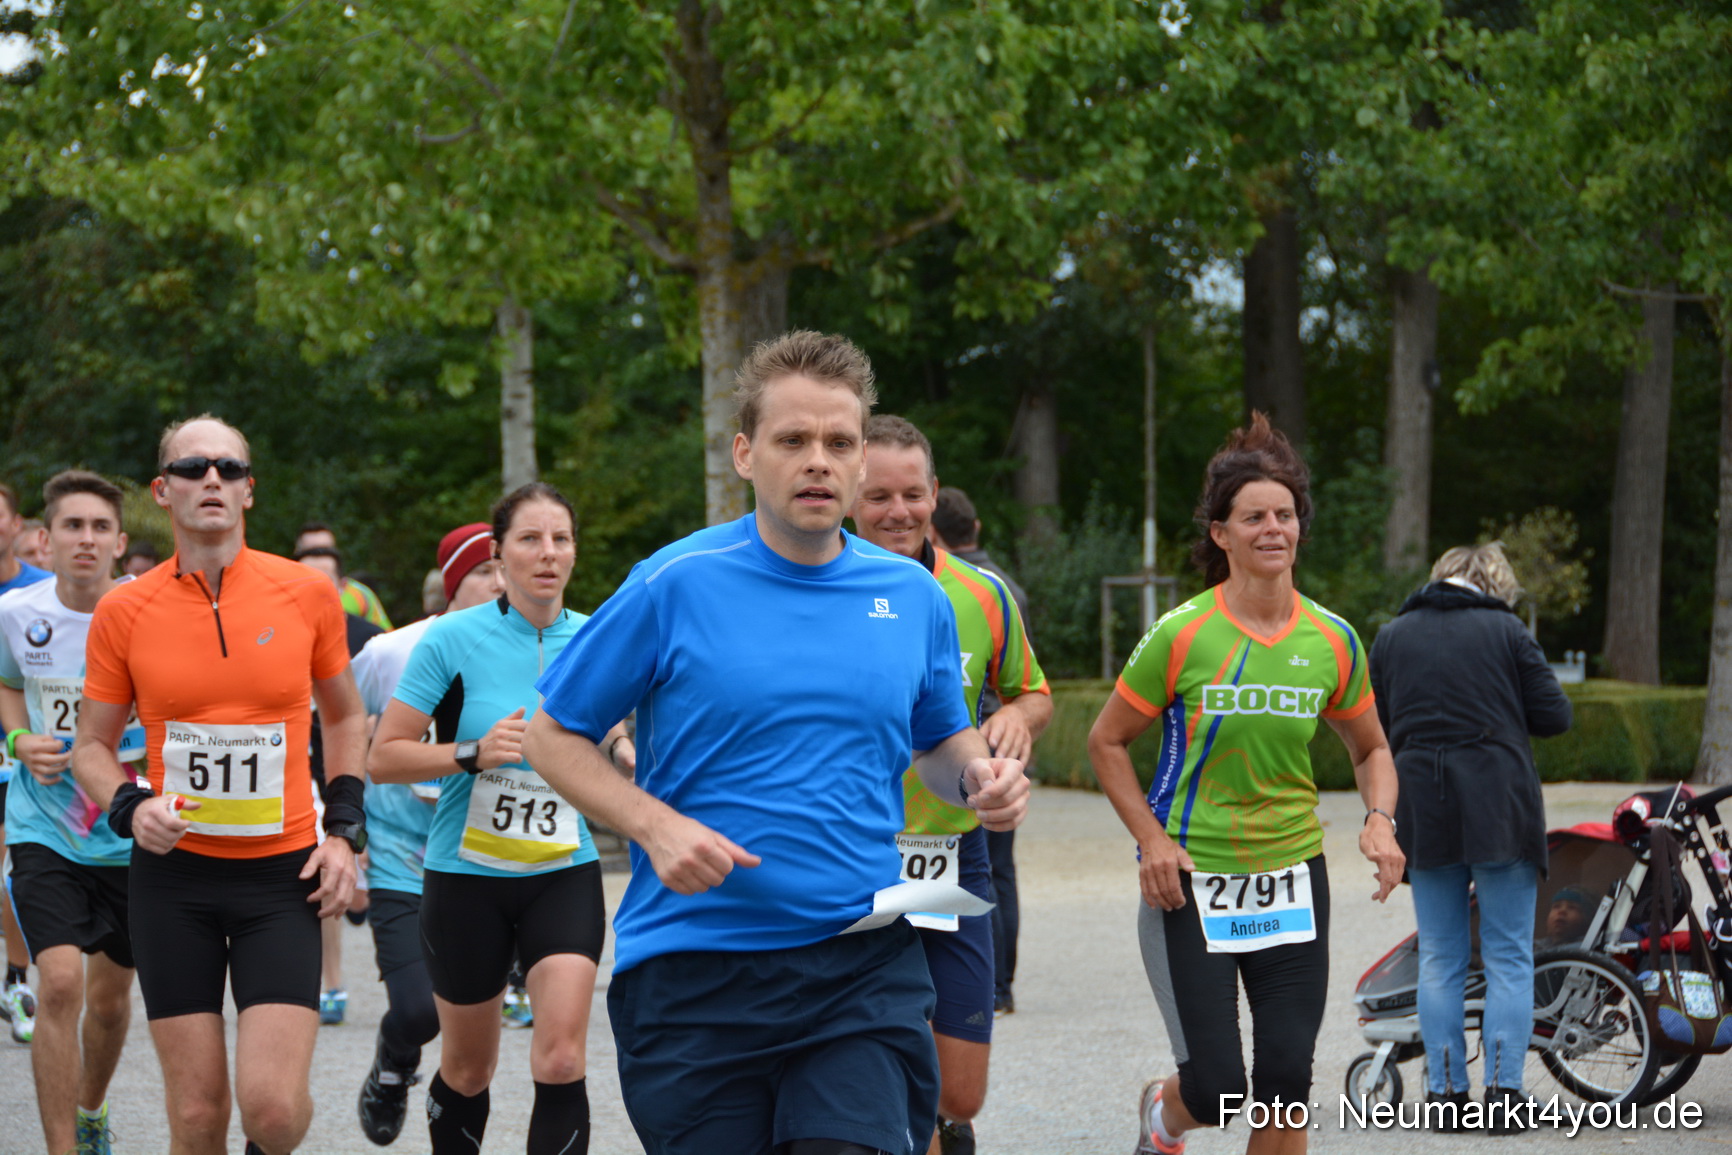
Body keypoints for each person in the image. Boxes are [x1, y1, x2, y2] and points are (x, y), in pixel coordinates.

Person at [521, 330, 1031, 1155]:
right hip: (696, 970)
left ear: (863, 458)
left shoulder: (911, 596)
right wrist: (654, 825)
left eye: (839, 441)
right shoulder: (672, 582)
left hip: (857, 961)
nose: (818, 460)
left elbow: (938, 736)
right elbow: (552, 735)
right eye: (794, 440)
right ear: (745, 453)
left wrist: (979, 776)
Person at [1088, 413, 1404, 1155]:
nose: (1274, 528)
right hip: (1192, 879)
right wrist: (1152, 839)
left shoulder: (1331, 639)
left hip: (1293, 874)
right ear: (1221, 535)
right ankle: (1161, 1120)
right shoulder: (1183, 634)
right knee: (1219, 1090)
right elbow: (1105, 742)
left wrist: (1380, 817)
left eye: (1285, 514)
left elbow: (1371, 747)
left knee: (1288, 1081)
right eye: (1254, 516)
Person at [72, 414, 367, 1155]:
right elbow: (91, 748)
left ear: (249, 492)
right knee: (199, 1117)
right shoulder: (124, 608)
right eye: (194, 466)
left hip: (281, 873)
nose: (212, 478)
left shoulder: (305, 592)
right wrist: (130, 805)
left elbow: (345, 715)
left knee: (270, 1111)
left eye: (230, 469)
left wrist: (343, 831)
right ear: (161, 491)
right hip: (174, 881)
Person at [369, 483, 626, 1155]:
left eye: (561, 539)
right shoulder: (451, 639)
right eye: (530, 539)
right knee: (468, 1068)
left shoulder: (598, 636)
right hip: (466, 876)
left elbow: (621, 728)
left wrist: (625, 749)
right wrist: (470, 752)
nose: (548, 554)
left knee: (563, 1056)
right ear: (499, 553)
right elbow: (385, 756)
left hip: (561, 870)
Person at [854, 417, 1051, 1155]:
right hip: (852, 855)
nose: (898, 510)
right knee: (874, 1057)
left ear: (935, 494)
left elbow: (1031, 690)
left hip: (946, 851)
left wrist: (1018, 725)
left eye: (912, 493)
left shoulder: (981, 593)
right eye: (878, 496)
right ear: (850, 498)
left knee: (960, 1090)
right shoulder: (817, 589)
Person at [1368, 542, 1573, 1131]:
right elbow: (1555, 716)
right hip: (1499, 807)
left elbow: (1375, 727)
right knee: (1509, 955)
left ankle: (1445, 1097)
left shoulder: (1392, 636)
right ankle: (1504, 1097)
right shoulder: (1506, 632)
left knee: (1439, 956)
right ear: (1494, 583)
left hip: (1422, 809)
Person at [0, 471, 144, 1154]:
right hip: (43, 828)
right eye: (71, 526)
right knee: (58, 982)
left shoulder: (149, 614)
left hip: (128, 833)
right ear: (43, 538)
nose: (85, 539)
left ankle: (90, 1109)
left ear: (120, 543)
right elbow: (4, 683)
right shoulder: (15, 614)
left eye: (99, 528)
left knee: (111, 1002)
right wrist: (17, 739)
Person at [350, 521, 503, 1146]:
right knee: (417, 1011)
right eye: (484, 571)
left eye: (504, 566)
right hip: (398, 855)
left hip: (482, 861)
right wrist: (341, 828)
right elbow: (337, 720)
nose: (501, 580)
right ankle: (393, 1062)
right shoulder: (392, 652)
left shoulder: (533, 648)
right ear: (450, 585)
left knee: (466, 1023)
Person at [931, 485, 1030, 1018]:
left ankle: (985, 984)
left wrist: (1014, 713)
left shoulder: (987, 591)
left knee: (985, 871)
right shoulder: (1011, 583)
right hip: (988, 759)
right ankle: (1000, 987)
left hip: (980, 760)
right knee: (1002, 874)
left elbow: (1027, 686)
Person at [295, 543, 387, 1027]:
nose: (317, 591)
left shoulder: (369, 640)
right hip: (304, 773)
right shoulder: (275, 632)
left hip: (365, 774)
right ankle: (331, 981)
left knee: (364, 896)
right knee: (322, 874)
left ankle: (399, 969)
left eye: (326, 582)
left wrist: (376, 722)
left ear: (342, 588)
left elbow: (405, 695)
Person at [0, 480, 52, 1044]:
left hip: (24, 762)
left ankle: (16, 979)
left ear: (17, 527)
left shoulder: (43, 594)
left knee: (10, 879)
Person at [295, 522, 393, 630]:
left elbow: (386, 637)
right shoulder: (286, 595)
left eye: (327, 549)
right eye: (311, 550)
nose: (320, 555)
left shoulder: (360, 595)